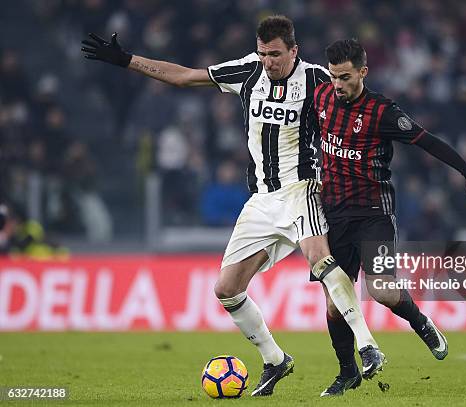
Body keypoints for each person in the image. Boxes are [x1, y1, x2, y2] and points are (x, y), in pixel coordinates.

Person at [81, 16, 385, 396]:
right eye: (263, 53)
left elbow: (357, 97)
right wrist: (127, 60)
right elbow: (184, 77)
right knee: (226, 288)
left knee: (321, 260)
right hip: (260, 200)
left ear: (294, 50)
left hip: (301, 188)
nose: (268, 61)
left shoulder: (318, 78)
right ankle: (276, 360)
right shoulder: (246, 71)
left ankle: (368, 345)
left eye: (275, 54)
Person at [312, 39, 466, 396]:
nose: (337, 84)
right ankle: (346, 372)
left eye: (345, 77)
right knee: (336, 303)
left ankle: (422, 323)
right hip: (332, 215)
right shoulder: (321, 98)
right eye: (334, 77)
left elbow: (427, 141)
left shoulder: (382, 111)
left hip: (372, 213)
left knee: (381, 289)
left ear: (363, 73)